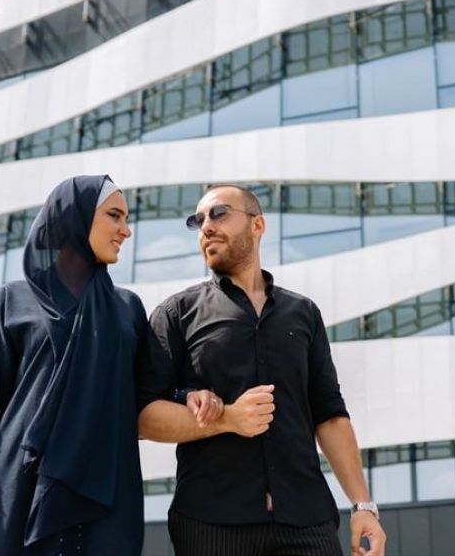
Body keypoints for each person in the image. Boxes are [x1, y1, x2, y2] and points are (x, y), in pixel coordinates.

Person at [0, 175, 223, 555]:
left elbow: (144, 391)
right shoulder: (12, 301)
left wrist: (189, 395)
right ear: (75, 216)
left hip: (106, 491)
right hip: (17, 487)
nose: (126, 230)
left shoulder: (126, 308)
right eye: (115, 216)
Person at [138, 184, 386, 556]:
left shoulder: (303, 313)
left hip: (307, 522)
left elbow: (330, 414)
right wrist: (227, 419)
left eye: (219, 213)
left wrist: (362, 506)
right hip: (211, 524)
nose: (206, 226)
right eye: (198, 220)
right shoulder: (176, 314)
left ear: (258, 226)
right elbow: (142, 417)